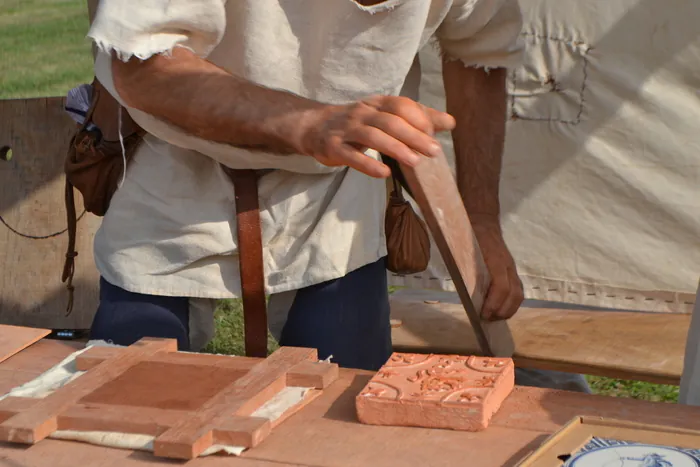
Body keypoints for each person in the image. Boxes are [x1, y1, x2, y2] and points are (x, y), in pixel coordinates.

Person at [85, 0, 526, 372]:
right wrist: (307, 123)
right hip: (176, 166)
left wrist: (482, 222)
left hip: (336, 191)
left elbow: (480, 52)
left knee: (343, 401)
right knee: (125, 394)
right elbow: (144, 64)